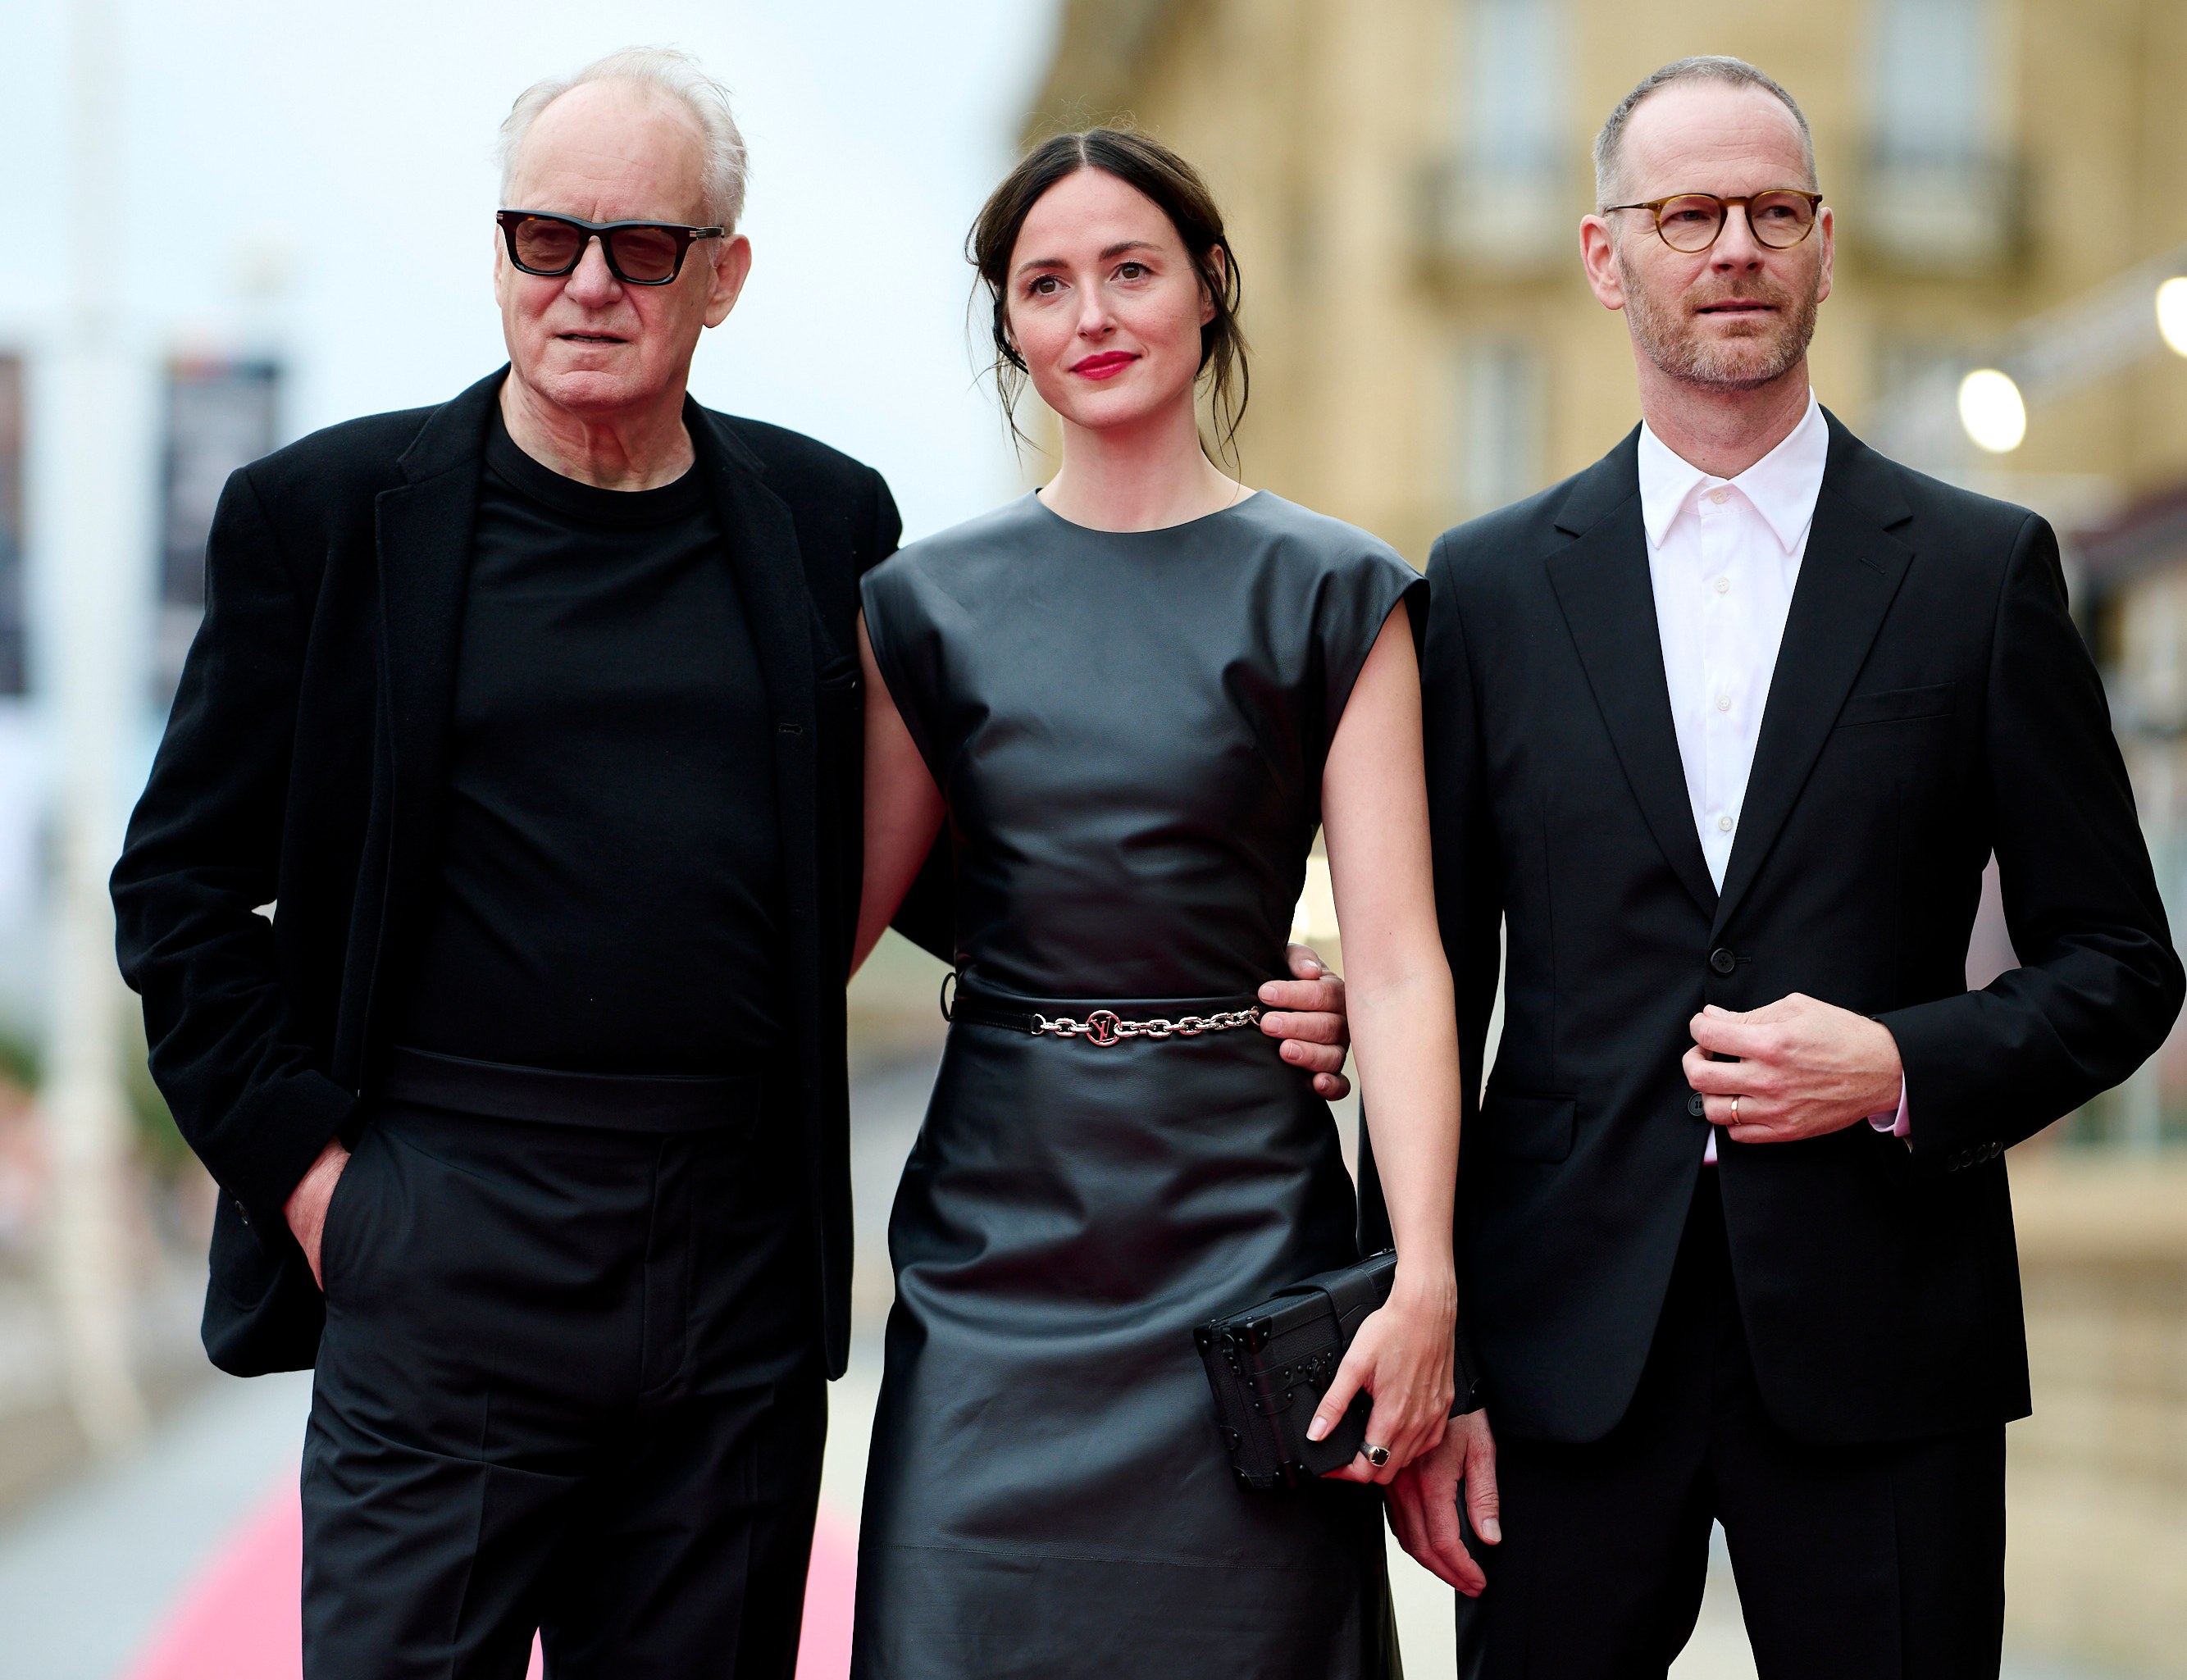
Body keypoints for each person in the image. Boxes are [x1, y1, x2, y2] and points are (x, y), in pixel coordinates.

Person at [109, 50, 1354, 1679]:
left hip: (733, 1275)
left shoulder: (822, 523)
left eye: (640, 247)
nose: (584, 285)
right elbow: (183, 892)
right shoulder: (324, 517)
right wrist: (324, 1186)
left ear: (723, 274)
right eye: (543, 239)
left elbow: (946, 870)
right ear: (497, 251)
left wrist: (1214, 984)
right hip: (441, 1234)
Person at [1384, 56, 2185, 1678]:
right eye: (1686, 214)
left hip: (1888, 1338)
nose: (1732, 246)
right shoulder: (1478, 589)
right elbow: (1432, 986)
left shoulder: (1980, 571)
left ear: (1822, 244)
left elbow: (2117, 961)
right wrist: (1436, 1349)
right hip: (1556, 1356)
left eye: (1768, 212)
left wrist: (1901, 1059)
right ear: (1608, 257)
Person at [847, 129, 1468, 1678]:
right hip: (997, 1252)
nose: (1093, 314)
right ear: (1012, 329)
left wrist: (1428, 1278)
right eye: (1046, 285)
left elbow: (1395, 968)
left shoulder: (1336, 590)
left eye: (1130, 269)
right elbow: (818, 934)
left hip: (1244, 1244)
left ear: (1206, 289)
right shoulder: (921, 607)